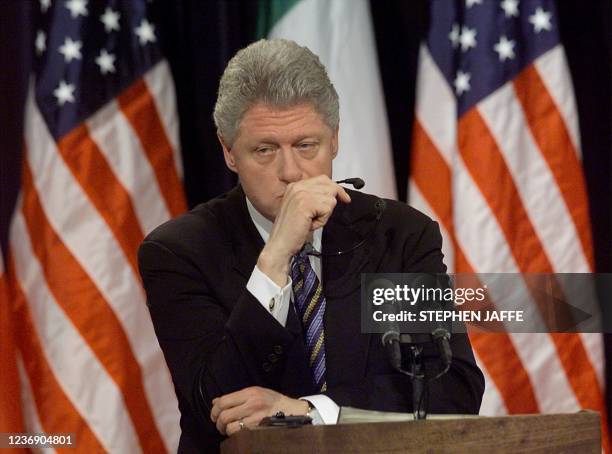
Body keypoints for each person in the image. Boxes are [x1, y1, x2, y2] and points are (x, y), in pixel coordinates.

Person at [138, 38, 484, 453]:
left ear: (334, 139)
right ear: (229, 152)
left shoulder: (397, 235)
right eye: (264, 150)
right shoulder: (180, 251)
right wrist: (275, 258)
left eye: (306, 146)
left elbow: (449, 390)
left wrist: (309, 412)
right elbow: (214, 407)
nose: (290, 172)